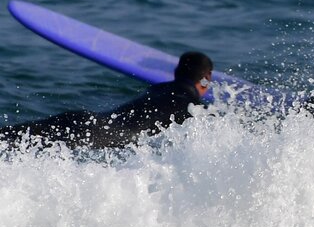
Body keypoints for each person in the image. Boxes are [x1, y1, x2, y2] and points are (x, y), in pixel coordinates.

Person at [0, 51, 214, 150]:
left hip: (83, 119)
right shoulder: (194, 109)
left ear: (176, 72)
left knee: (8, 138)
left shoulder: (156, 89)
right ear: (206, 79)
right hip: (102, 139)